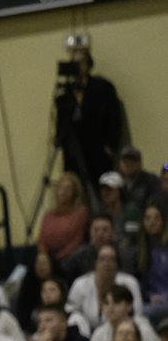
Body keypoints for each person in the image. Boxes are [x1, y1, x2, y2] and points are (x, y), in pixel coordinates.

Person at [51, 37, 122, 188]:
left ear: (88, 63)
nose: (77, 67)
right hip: (73, 158)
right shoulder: (65, 95)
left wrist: (110, 146)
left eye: (80, 63)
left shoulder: (102, 88)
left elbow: (114, 119)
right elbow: (60, 124)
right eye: (74, 64)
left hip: (97, 154)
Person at [39, 173, 91, 263]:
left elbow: (78, 240)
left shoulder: (81, 212)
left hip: (71, 257)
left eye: (68, 188)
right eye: (61, 188)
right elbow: (41, 240)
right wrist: (43, 254)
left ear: (74, 192)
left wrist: (58, 258)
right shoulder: (49, 215)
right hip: (49, 258)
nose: (63, 191)